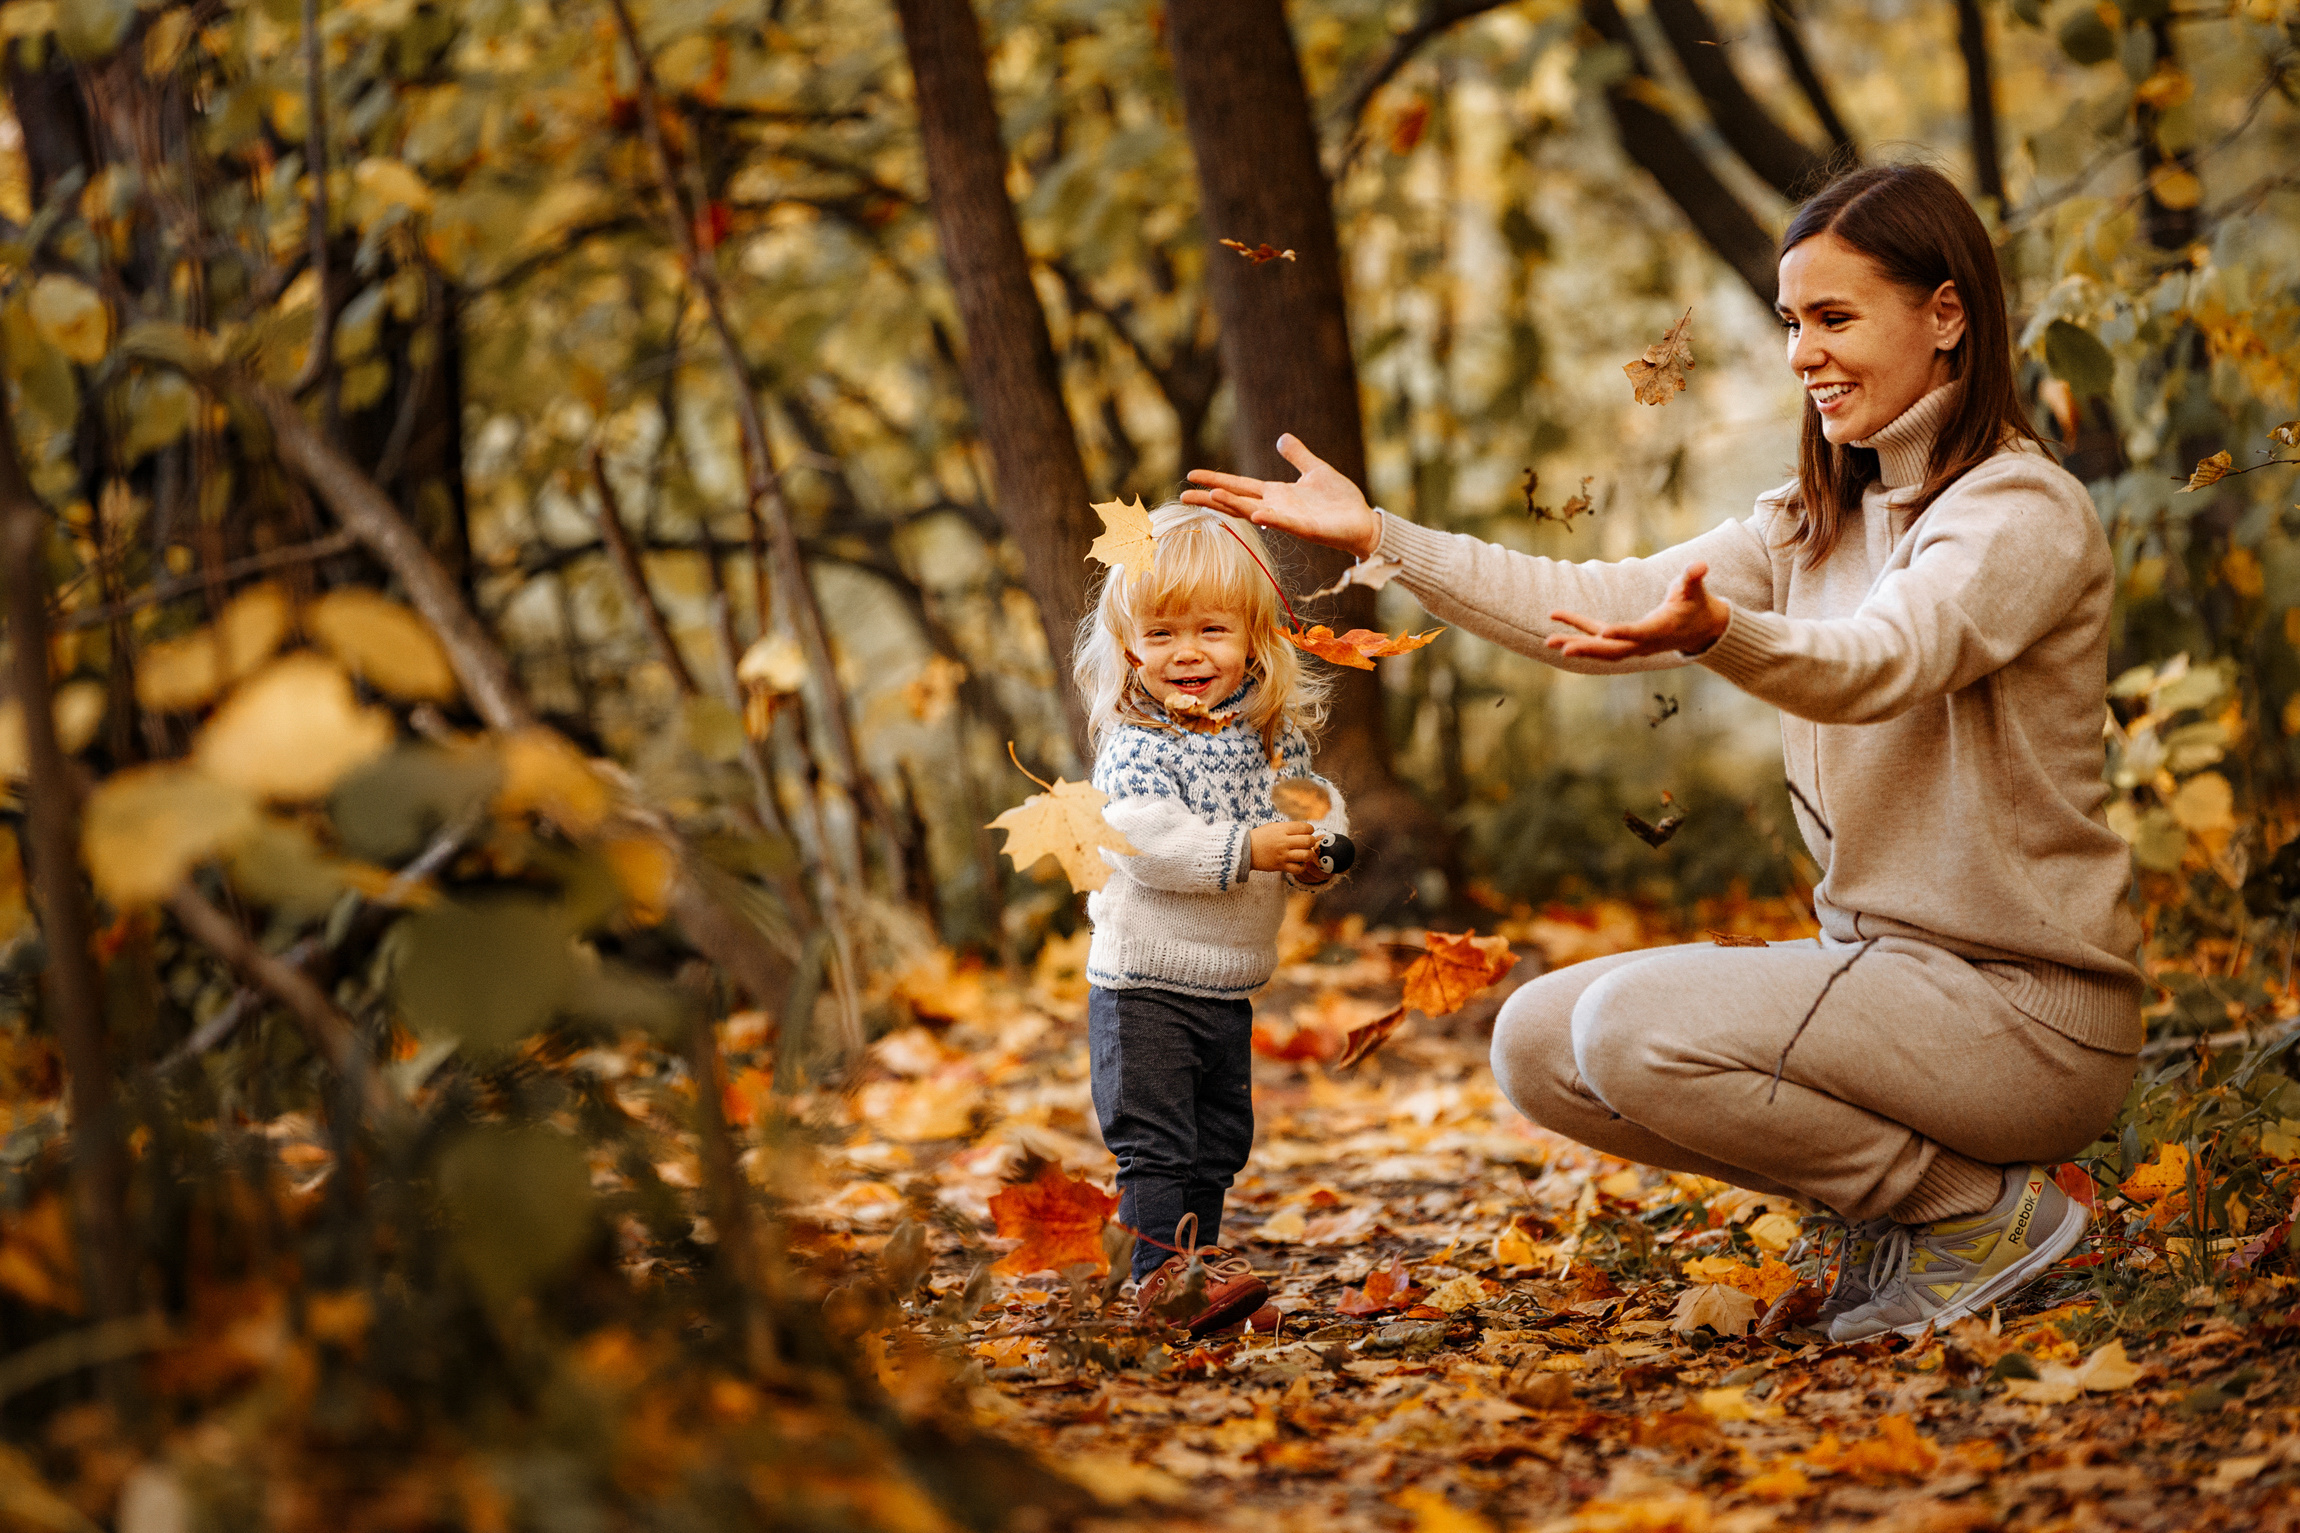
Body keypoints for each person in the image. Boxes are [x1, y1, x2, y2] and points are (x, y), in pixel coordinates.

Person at [1181, 162, 2142, 1342]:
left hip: (2020, 1019)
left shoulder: (2016, 513)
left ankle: (1968, 1217)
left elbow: (1881, 659)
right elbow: (1589, 600)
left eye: (1834, 318)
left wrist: (1726, 635)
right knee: (1537, 1042)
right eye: (1792, 323)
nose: (1801, 354)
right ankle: (1917, 1216)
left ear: (1944, 315)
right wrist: (1381, 538)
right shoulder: (1807, 520)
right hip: (1893, 991)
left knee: (1627, 1031)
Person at [1074, 501, 1350, 1334]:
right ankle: (1157, 1277)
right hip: (1143, 983)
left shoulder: (1268, 738)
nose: (1187, 652)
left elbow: (1313, 804)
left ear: (1255, 637)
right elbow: (1139, 840)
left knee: (1218, 1138)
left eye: (1211, 630)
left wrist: (1319, 847)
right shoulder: (1138, 739)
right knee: (1157, 1143)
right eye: (1160, 635)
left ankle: (1197, 1266)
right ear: (1130, 649)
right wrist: (1249, 848)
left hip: (1226, 982)